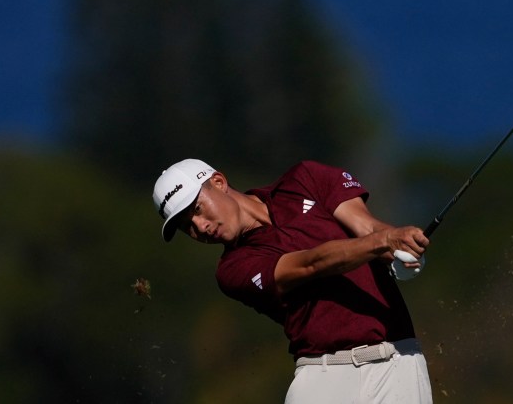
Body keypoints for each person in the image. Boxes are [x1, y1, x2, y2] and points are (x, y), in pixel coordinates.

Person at [152, 158, 434, 403]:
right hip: (324, 378)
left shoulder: (306, 178)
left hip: (400, 366)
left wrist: (402, 247)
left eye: (197, 209)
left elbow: (368, 227)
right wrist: (384, 241)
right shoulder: (232, 270)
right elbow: (311, 264)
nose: (200, 227)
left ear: (219, 181)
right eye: (186, 226)